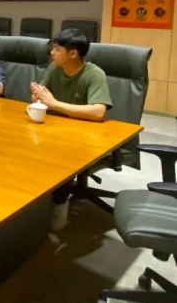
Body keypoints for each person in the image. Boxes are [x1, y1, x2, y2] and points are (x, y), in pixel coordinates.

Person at [29, 28, 113, 232]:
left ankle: (58, 210)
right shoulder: (54, 68)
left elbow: (98, 112)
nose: (52, 53)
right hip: (54, 131)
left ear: (73, 53)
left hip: (84, 139)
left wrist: (54, 104)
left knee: (59, 160)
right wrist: (39, 95)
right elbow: (39, 98)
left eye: (57, 49)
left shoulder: (94, 74)